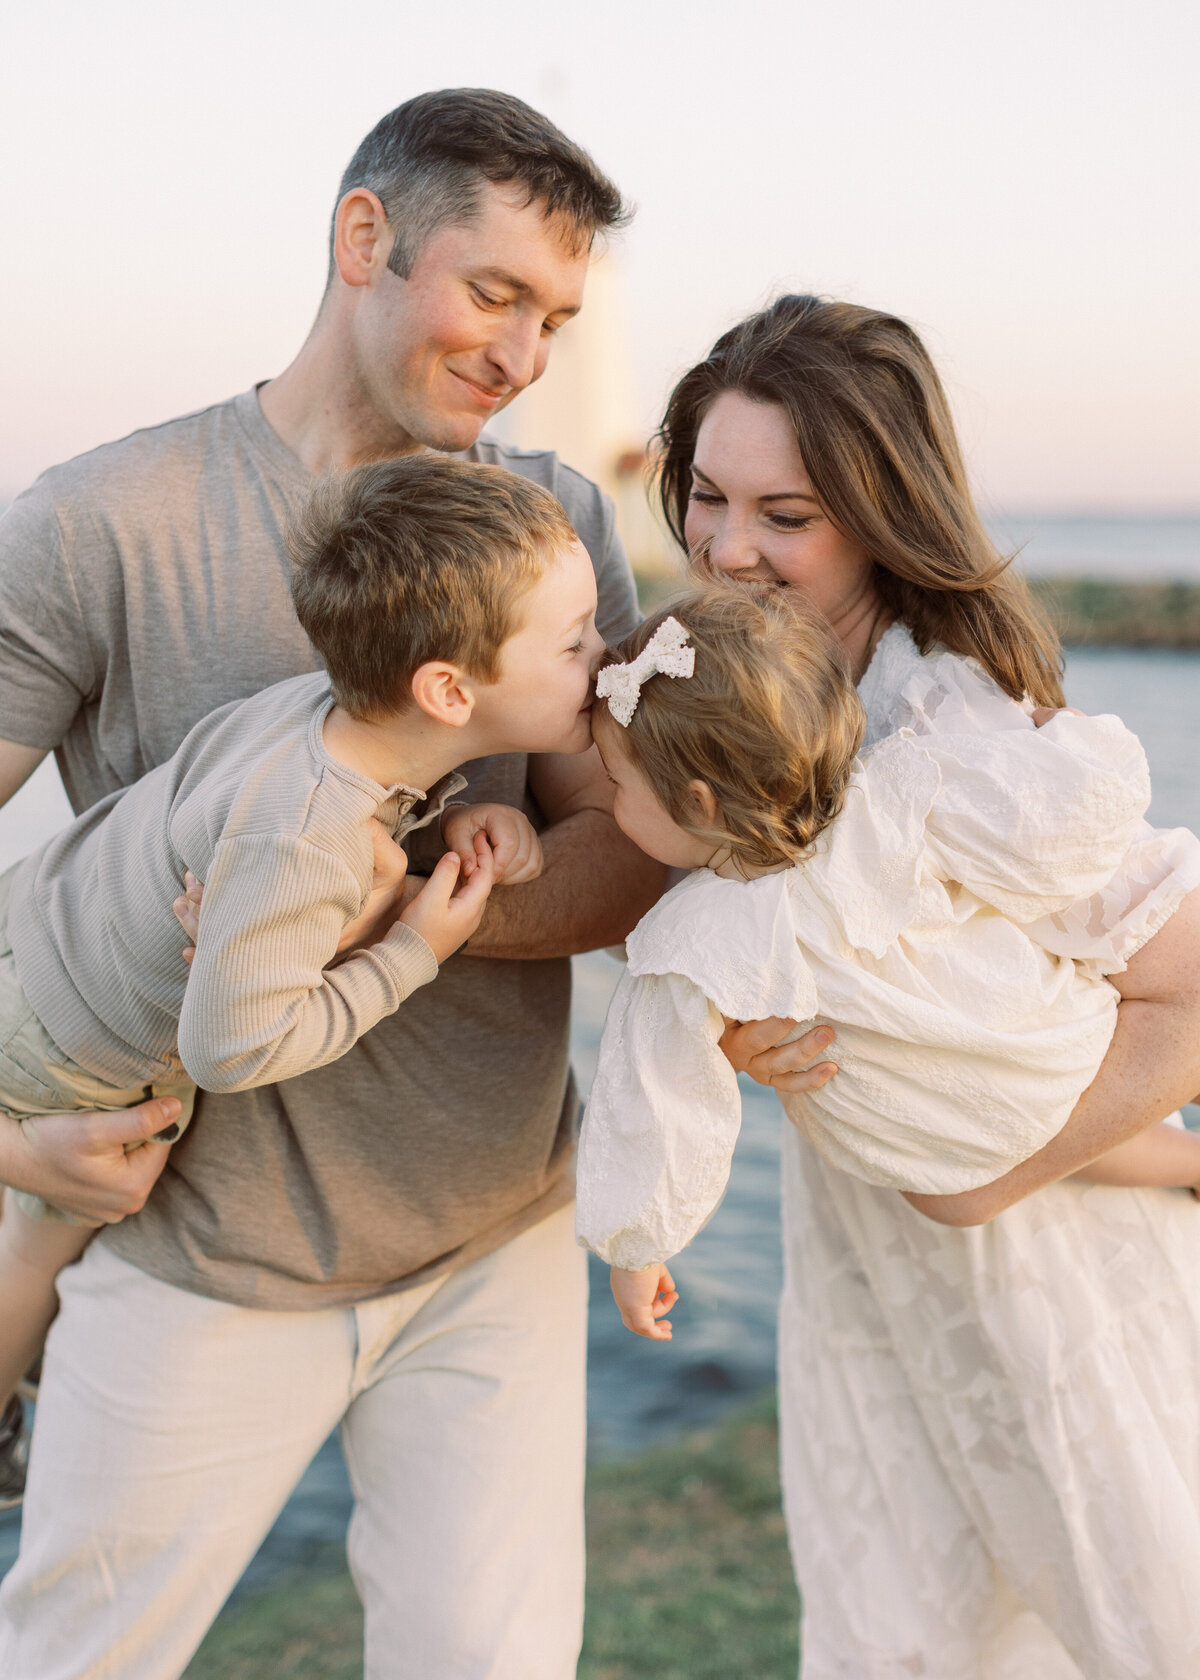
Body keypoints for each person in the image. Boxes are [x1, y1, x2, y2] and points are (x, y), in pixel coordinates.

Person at [3, 90, 841, 1680]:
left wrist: (386, 915)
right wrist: (11, 1137)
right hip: (197, 1258)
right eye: (498, 293)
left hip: (494, 1241)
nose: (525, 354)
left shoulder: (560, 522)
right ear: (363, 238)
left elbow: (624, 849)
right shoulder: (100, 523)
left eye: (558, 317)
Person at [627, 296, 1200, 1679]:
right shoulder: (747, 699)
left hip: (1049, 1279)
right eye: (707, 497)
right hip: (869, 1278)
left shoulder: (960, 742)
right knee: (904, 1637)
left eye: (787, 514)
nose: (728, 547)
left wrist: (996, 1174)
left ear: (882, 516)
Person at [0, 454, 606, 1439]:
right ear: (451, 691)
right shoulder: (306, 837)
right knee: (45, 1236)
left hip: (34, 926)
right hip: (67, 1046)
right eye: (575, 643)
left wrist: (481, 828)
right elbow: (230, 1050)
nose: (604, 656)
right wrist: (413, 948)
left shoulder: (313, 718)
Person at [577, 585, 1200, 1329]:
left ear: (702, 805)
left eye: (617, 784)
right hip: (1052, 1039)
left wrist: (637, 1250)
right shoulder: (898, 793)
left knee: (957, 1185)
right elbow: (1051, 835)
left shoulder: (688, 942)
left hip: (941, 1138)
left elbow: (657, 1096)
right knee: (1034, 1114)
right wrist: (1064, 744)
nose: (611, 802)